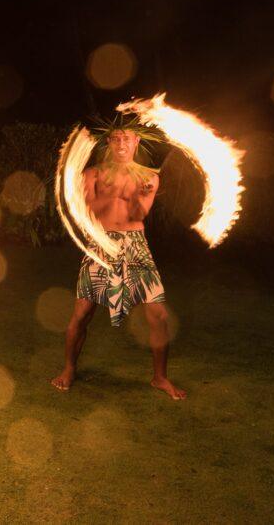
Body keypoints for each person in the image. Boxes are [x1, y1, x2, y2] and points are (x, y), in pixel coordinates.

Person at [51, 122, 186, 400]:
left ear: (136, 141)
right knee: (82, 313)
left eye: (126, 138)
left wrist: (139, 193)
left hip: (135, 246)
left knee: (158, 315)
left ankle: (160, 377)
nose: (121, 143)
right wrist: (117, 191)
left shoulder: (150, 177)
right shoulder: (92, 174)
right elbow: (88, 211)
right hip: (101, 244)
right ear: (108, 143)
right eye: (115, 139)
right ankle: (68, 369)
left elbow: (138, 214)